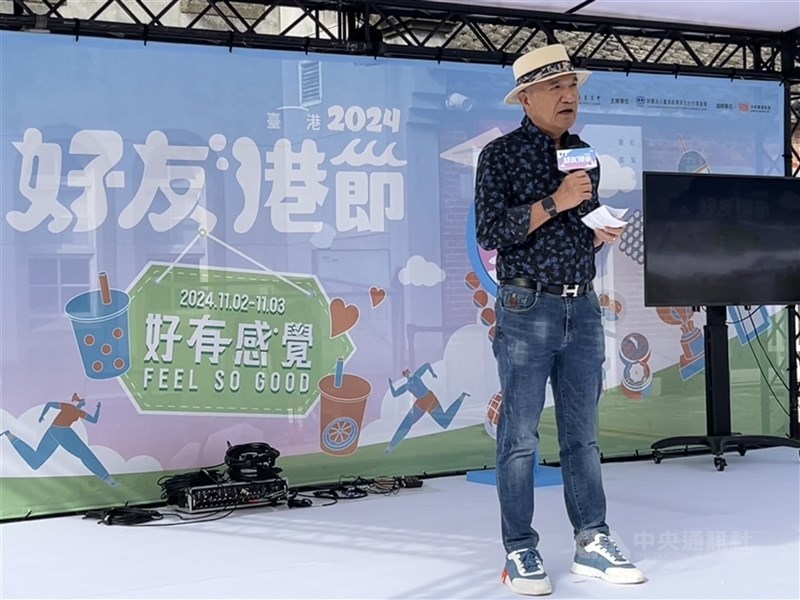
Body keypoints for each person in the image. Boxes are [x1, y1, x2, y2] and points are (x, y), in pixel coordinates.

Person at [474, 43, 644, 596]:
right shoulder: (498, 156)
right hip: (526, 307)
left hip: (583, 304)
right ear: (526, 99)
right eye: (555, 88)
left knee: (583, 434)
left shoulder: (584, 153)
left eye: (572, 86)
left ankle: (592, 540)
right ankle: (520, 550)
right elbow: (490, 233)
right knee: (520, 436)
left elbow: (574, 235)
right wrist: (557, 200)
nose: (569, 96)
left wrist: (595, 235)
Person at [1, 392, 119, 487]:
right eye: (82, 401)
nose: (83, 402)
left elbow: (94, 420)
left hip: (56, 431)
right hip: (61, 432)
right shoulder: (69, 407)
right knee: (85, 454)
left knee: (35, 462)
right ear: (79, 402)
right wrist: (43, 415)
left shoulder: (79, 413)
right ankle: (108, 479)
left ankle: (10, 436)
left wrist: (98, 409)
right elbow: (50, 404)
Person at [385, 362, 468, 454]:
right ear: (404, 375)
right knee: (407, 423)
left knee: (444, 423)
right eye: (405, 372)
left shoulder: (415, 377)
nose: (406, 373)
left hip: (428, 398)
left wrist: (433, 373)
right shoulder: (407, 386)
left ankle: (461, 398)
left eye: (407, 371)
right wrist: (390, 384)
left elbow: (427, 365)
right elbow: (395, 394)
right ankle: (391, 446)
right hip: (422, 402)